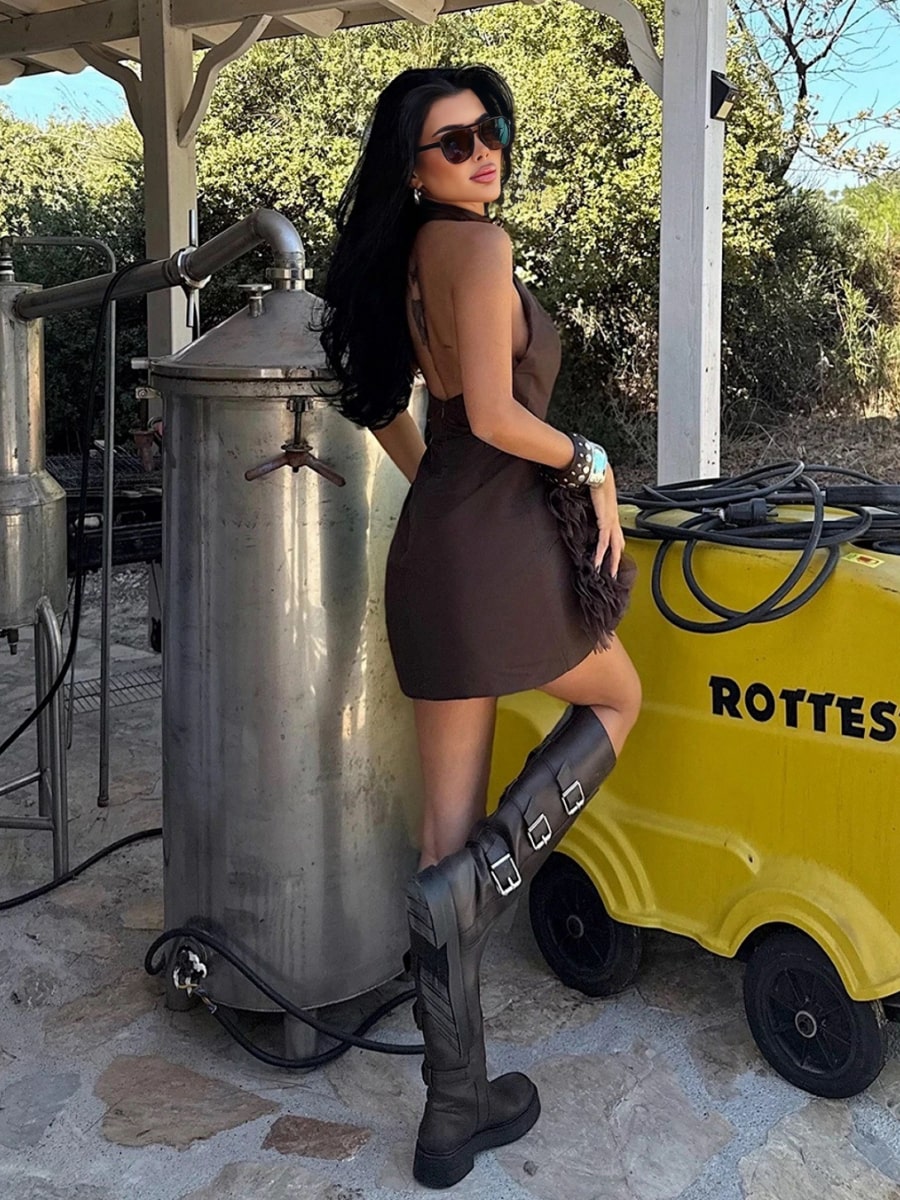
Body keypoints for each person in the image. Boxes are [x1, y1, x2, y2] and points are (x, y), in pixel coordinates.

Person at [321, 64, 641, 1190]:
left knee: (443, 840)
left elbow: (392, 412)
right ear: (414, 167)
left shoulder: (409, 257)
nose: (483, 152)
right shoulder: (480, 245)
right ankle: (468, 897)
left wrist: (443, 494)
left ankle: (452, 1114)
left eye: (490, 130)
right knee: (619, 699)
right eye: (453, 142)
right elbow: (501, 415)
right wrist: (593, 461)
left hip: (443, 551)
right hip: (496, 554)